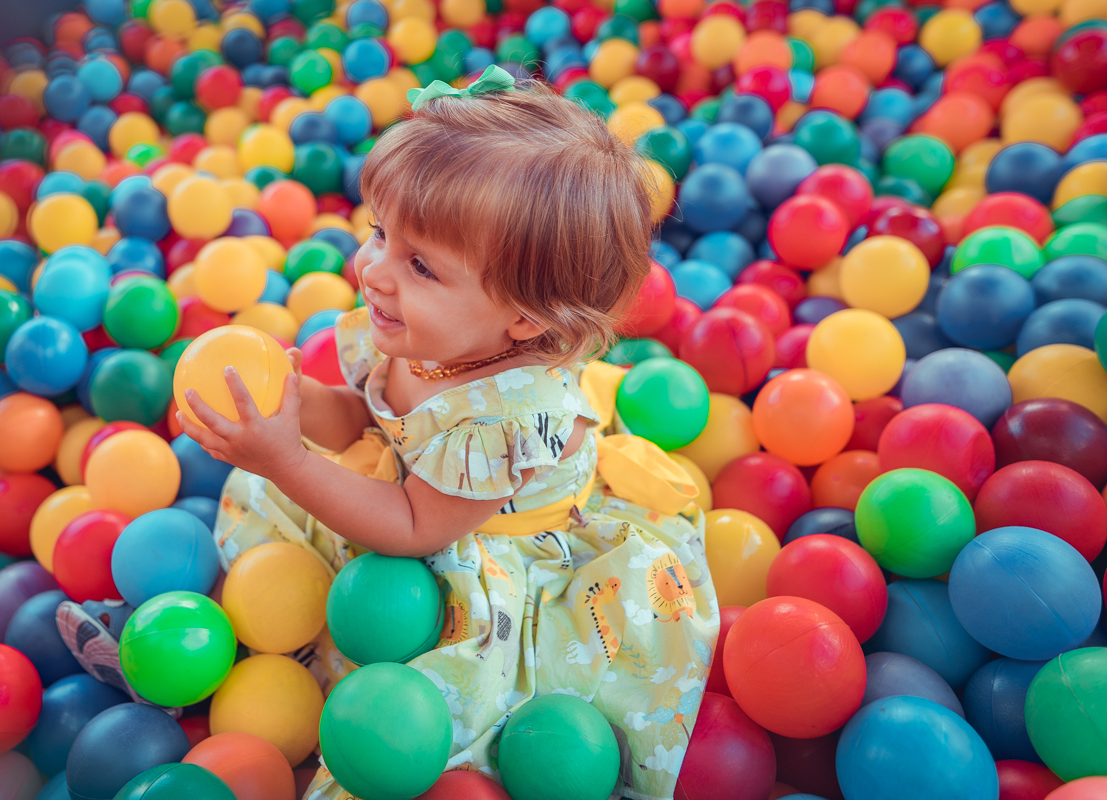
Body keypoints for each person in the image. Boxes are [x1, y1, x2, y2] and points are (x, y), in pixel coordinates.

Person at [178, 66, 719, 800]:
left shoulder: (505, 418)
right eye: (379, 233)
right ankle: (191, 660)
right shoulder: (429, 335)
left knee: (425, 709)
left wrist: (285, 461)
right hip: (408, 501)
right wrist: (290, 405)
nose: (373, 271)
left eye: (421, 264)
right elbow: (372, 417)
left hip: (478, 552)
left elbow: (414, 527)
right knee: (272, 557)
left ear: (525, 319)